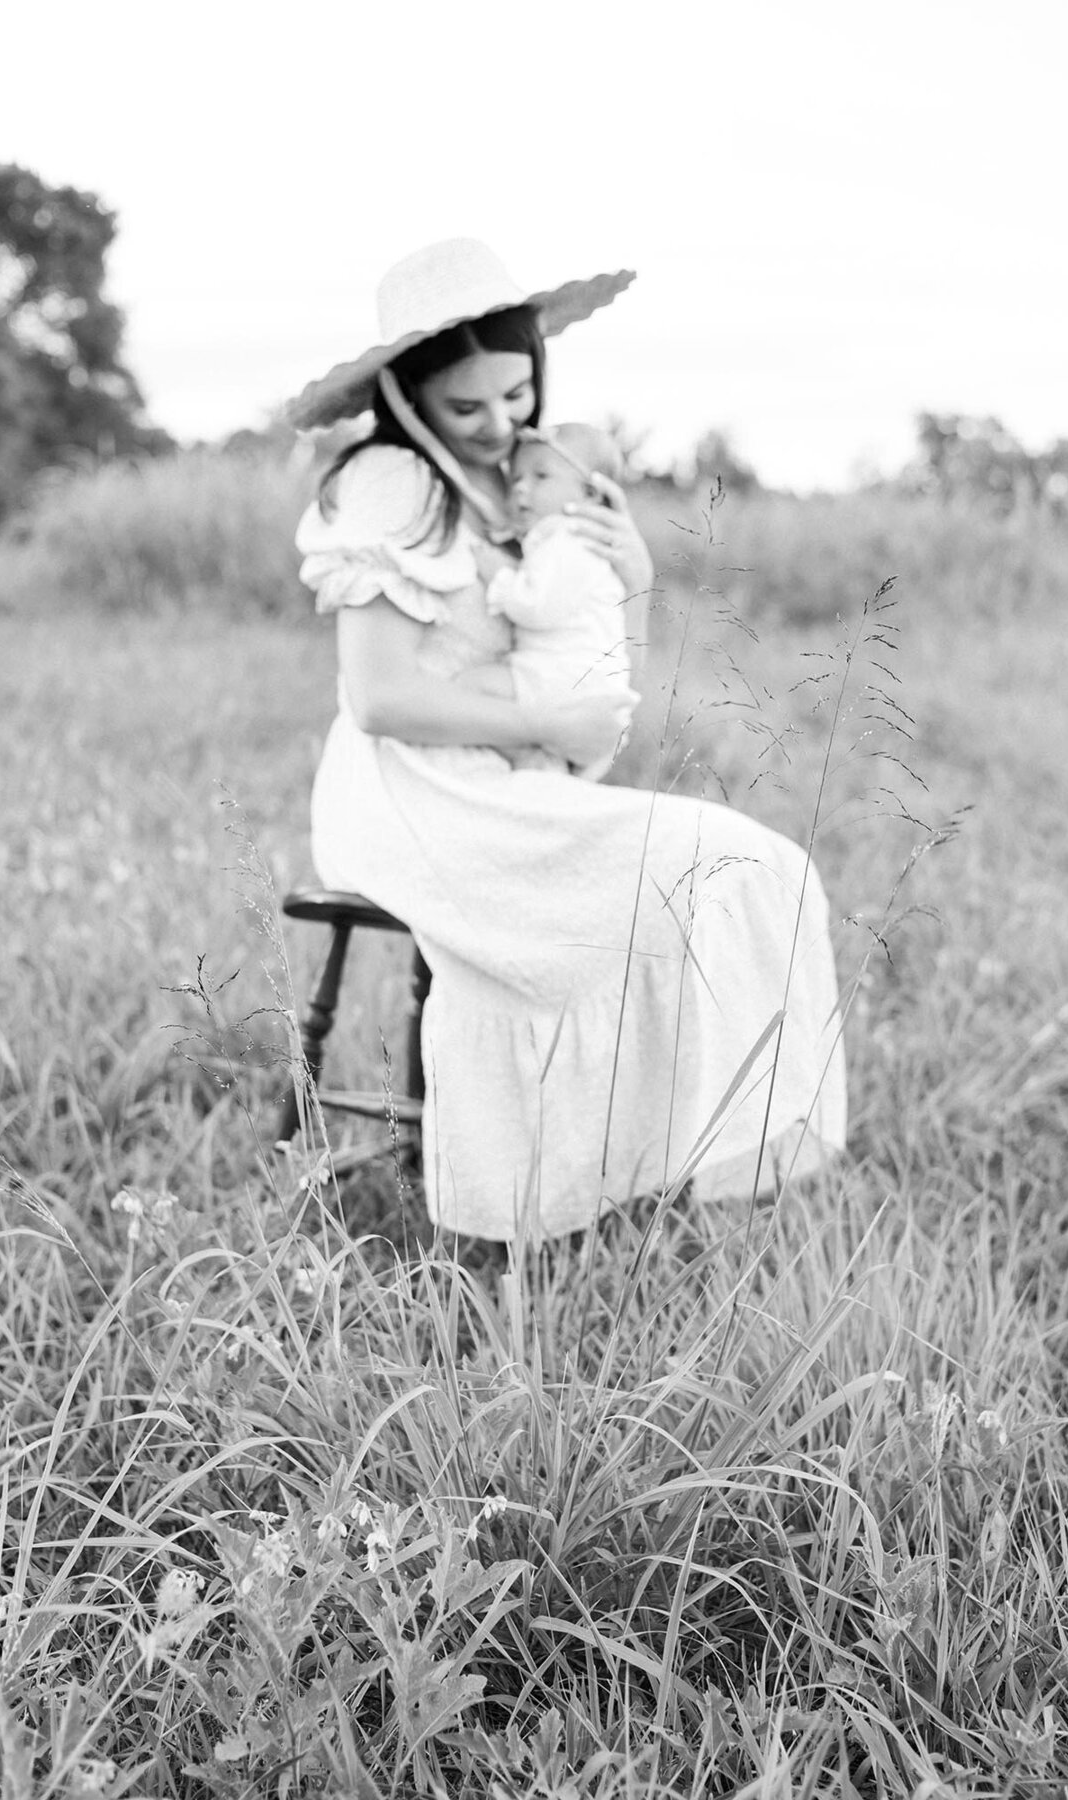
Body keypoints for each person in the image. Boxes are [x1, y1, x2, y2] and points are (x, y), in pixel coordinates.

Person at [290, 238, 846, 1242]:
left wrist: (629, 568)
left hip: (508, 772)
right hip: (411, 788)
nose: (502, 425)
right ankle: (518, 1192)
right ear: (410, 402)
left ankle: (644, 1162)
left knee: (757, 869)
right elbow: (378, 698)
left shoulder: (528, 485)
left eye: (517, 395)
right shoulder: (390, 484)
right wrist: (543, 724)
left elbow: (598, 680)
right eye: (468, 408)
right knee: (688, 870)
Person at [463, 422, 636, 780]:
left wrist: (500, 576)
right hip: (590, 690)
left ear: (590, 493)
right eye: (516, 479)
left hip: (566, 681)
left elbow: (537, 608)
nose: (522, 487)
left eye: (541, 476)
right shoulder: (560, 540)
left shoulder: (569, 541)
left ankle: (534, 758)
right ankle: (559, 770)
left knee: (470, 689)